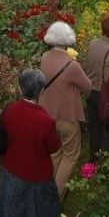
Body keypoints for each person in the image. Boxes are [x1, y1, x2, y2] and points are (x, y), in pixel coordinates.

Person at [0, 68, 62, 217]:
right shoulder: (45, 120)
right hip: (38, 175)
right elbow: (54, 147)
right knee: (51, 211)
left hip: (11, 170)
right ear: (41, 91)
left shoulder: (9, 110)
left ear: (20, 87)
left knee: (11, 211)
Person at [39, 21, 92, 198]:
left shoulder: (45, 57)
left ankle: (47, 187)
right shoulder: (72, 66)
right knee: (71, 155)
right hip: (66, 116)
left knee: (55, 152)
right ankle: (54, 196)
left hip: (46, 114)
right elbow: (88, 87)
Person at [84, 12, 109, 161]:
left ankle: (93, 161)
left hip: (90, 90)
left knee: (95, 128)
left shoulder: (93, 43)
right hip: (102, 95)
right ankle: (106, 163)